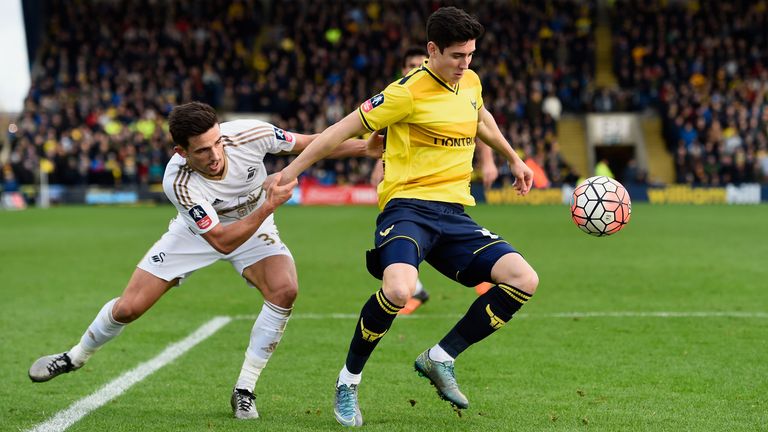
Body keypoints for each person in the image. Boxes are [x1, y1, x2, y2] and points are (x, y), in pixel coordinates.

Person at [28, 101, 380, 420]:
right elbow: (222, 242)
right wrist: (270, 205)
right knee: (128, 308)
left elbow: (312, 143)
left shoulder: (250, 133)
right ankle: (75, 356)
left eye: (217, 143)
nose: (214, 155)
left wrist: (364, 148)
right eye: (202, 150)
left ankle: (244, 389)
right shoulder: (178, 181)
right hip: (198, 235)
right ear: (181, 152)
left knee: (285, 290)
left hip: (254, 226)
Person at [278, 7, 538, 426]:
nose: (465, 63)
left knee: (524, 279)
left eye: (471, 55)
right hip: (408, 208)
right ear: (432, 50)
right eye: (457, 55)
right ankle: (348, 382)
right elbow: (338, 131)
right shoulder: (404, 93)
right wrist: (289, 173)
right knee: (399, 290)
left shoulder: (470, 81)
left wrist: (513, 157)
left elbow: (480, 117)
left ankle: (441, 357)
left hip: (454, 213)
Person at [370, 46, 499, 315]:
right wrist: (378, 167)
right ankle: (415, 287)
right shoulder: (400, 95)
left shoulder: (452, 90)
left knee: (424, 237)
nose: (417, 69)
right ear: (403, 69)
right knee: (405, 240)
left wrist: (489, 161)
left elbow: (478, 124)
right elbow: (385, 140)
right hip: (405, 190)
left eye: (421, 63)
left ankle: (475, 274)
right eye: (411, 65)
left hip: (445, 190)